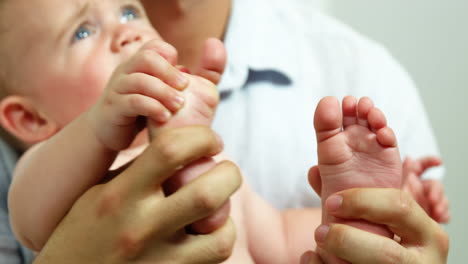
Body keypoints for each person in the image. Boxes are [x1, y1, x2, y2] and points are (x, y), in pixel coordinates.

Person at [0, 0, 449, 262]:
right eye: (82, 33)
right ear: (30, 120)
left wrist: (361, 217)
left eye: (128, 10)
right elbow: (31, 218)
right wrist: (100, 129)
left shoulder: (217, 163)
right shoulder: (51, 176)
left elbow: (274, 236)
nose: (124, 33)